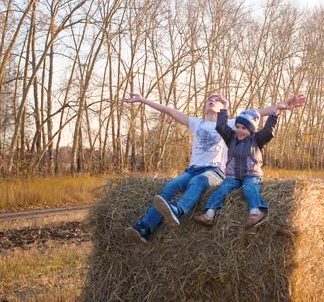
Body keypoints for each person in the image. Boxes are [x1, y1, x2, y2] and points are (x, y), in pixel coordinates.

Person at [122, 92, 306, 243]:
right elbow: (167, 110)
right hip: (192, 168)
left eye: (216, 100)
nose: (212, 100)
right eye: (209, 99)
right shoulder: (196, 123)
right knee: (168, 188)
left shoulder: (232, 125)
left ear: (221, 109)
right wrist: (142, 99)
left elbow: (259, 113)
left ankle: (179, 210)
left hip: (214, 171)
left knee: (199, 181)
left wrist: (284, 104)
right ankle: (145, 227)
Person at [192, 95, 278, 229]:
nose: (239, 130)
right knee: (222, 190)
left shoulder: (256, 140)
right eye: (237, 127)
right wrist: (225, 107)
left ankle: (256, 212)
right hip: (233, 176)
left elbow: (268, 132)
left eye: (244, 128)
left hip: (251, 175)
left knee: (250, 188)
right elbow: (221, 126)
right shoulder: (231, 138)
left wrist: (274, 115)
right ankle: (209, 214)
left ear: (251, 130)